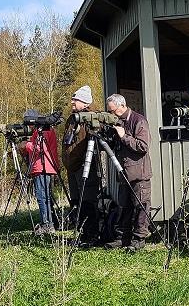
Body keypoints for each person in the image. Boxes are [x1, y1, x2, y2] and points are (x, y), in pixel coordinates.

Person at [104, 94, 152, 252]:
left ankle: (139, 239)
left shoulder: (138, 120)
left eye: (113, 111)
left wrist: (124, 136)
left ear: (122, 106)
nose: (111, 114)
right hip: (124, 172)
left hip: (139, 173)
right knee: (124, 207)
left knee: (141, 206)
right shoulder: (116, 121)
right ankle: (122, 238)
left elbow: (143, 146)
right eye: (109, 111)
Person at [62, 85, 102, 245]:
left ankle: (91, 235)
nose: (72, 101)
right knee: (77, 201)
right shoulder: (72, 119)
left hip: (86, 166)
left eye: (76, 99)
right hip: (72, 166)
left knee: (88, 200)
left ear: (85, 103)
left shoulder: (91, 118)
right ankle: (82, 233)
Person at [20, 109, 60, 235]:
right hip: (47, 166)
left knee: (42, 197)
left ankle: (46, 224)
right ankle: (49, 223)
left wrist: (26, 145)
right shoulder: (47, 129)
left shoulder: (41, 131)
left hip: (42, 166)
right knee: (46, 196)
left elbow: (39, 148)